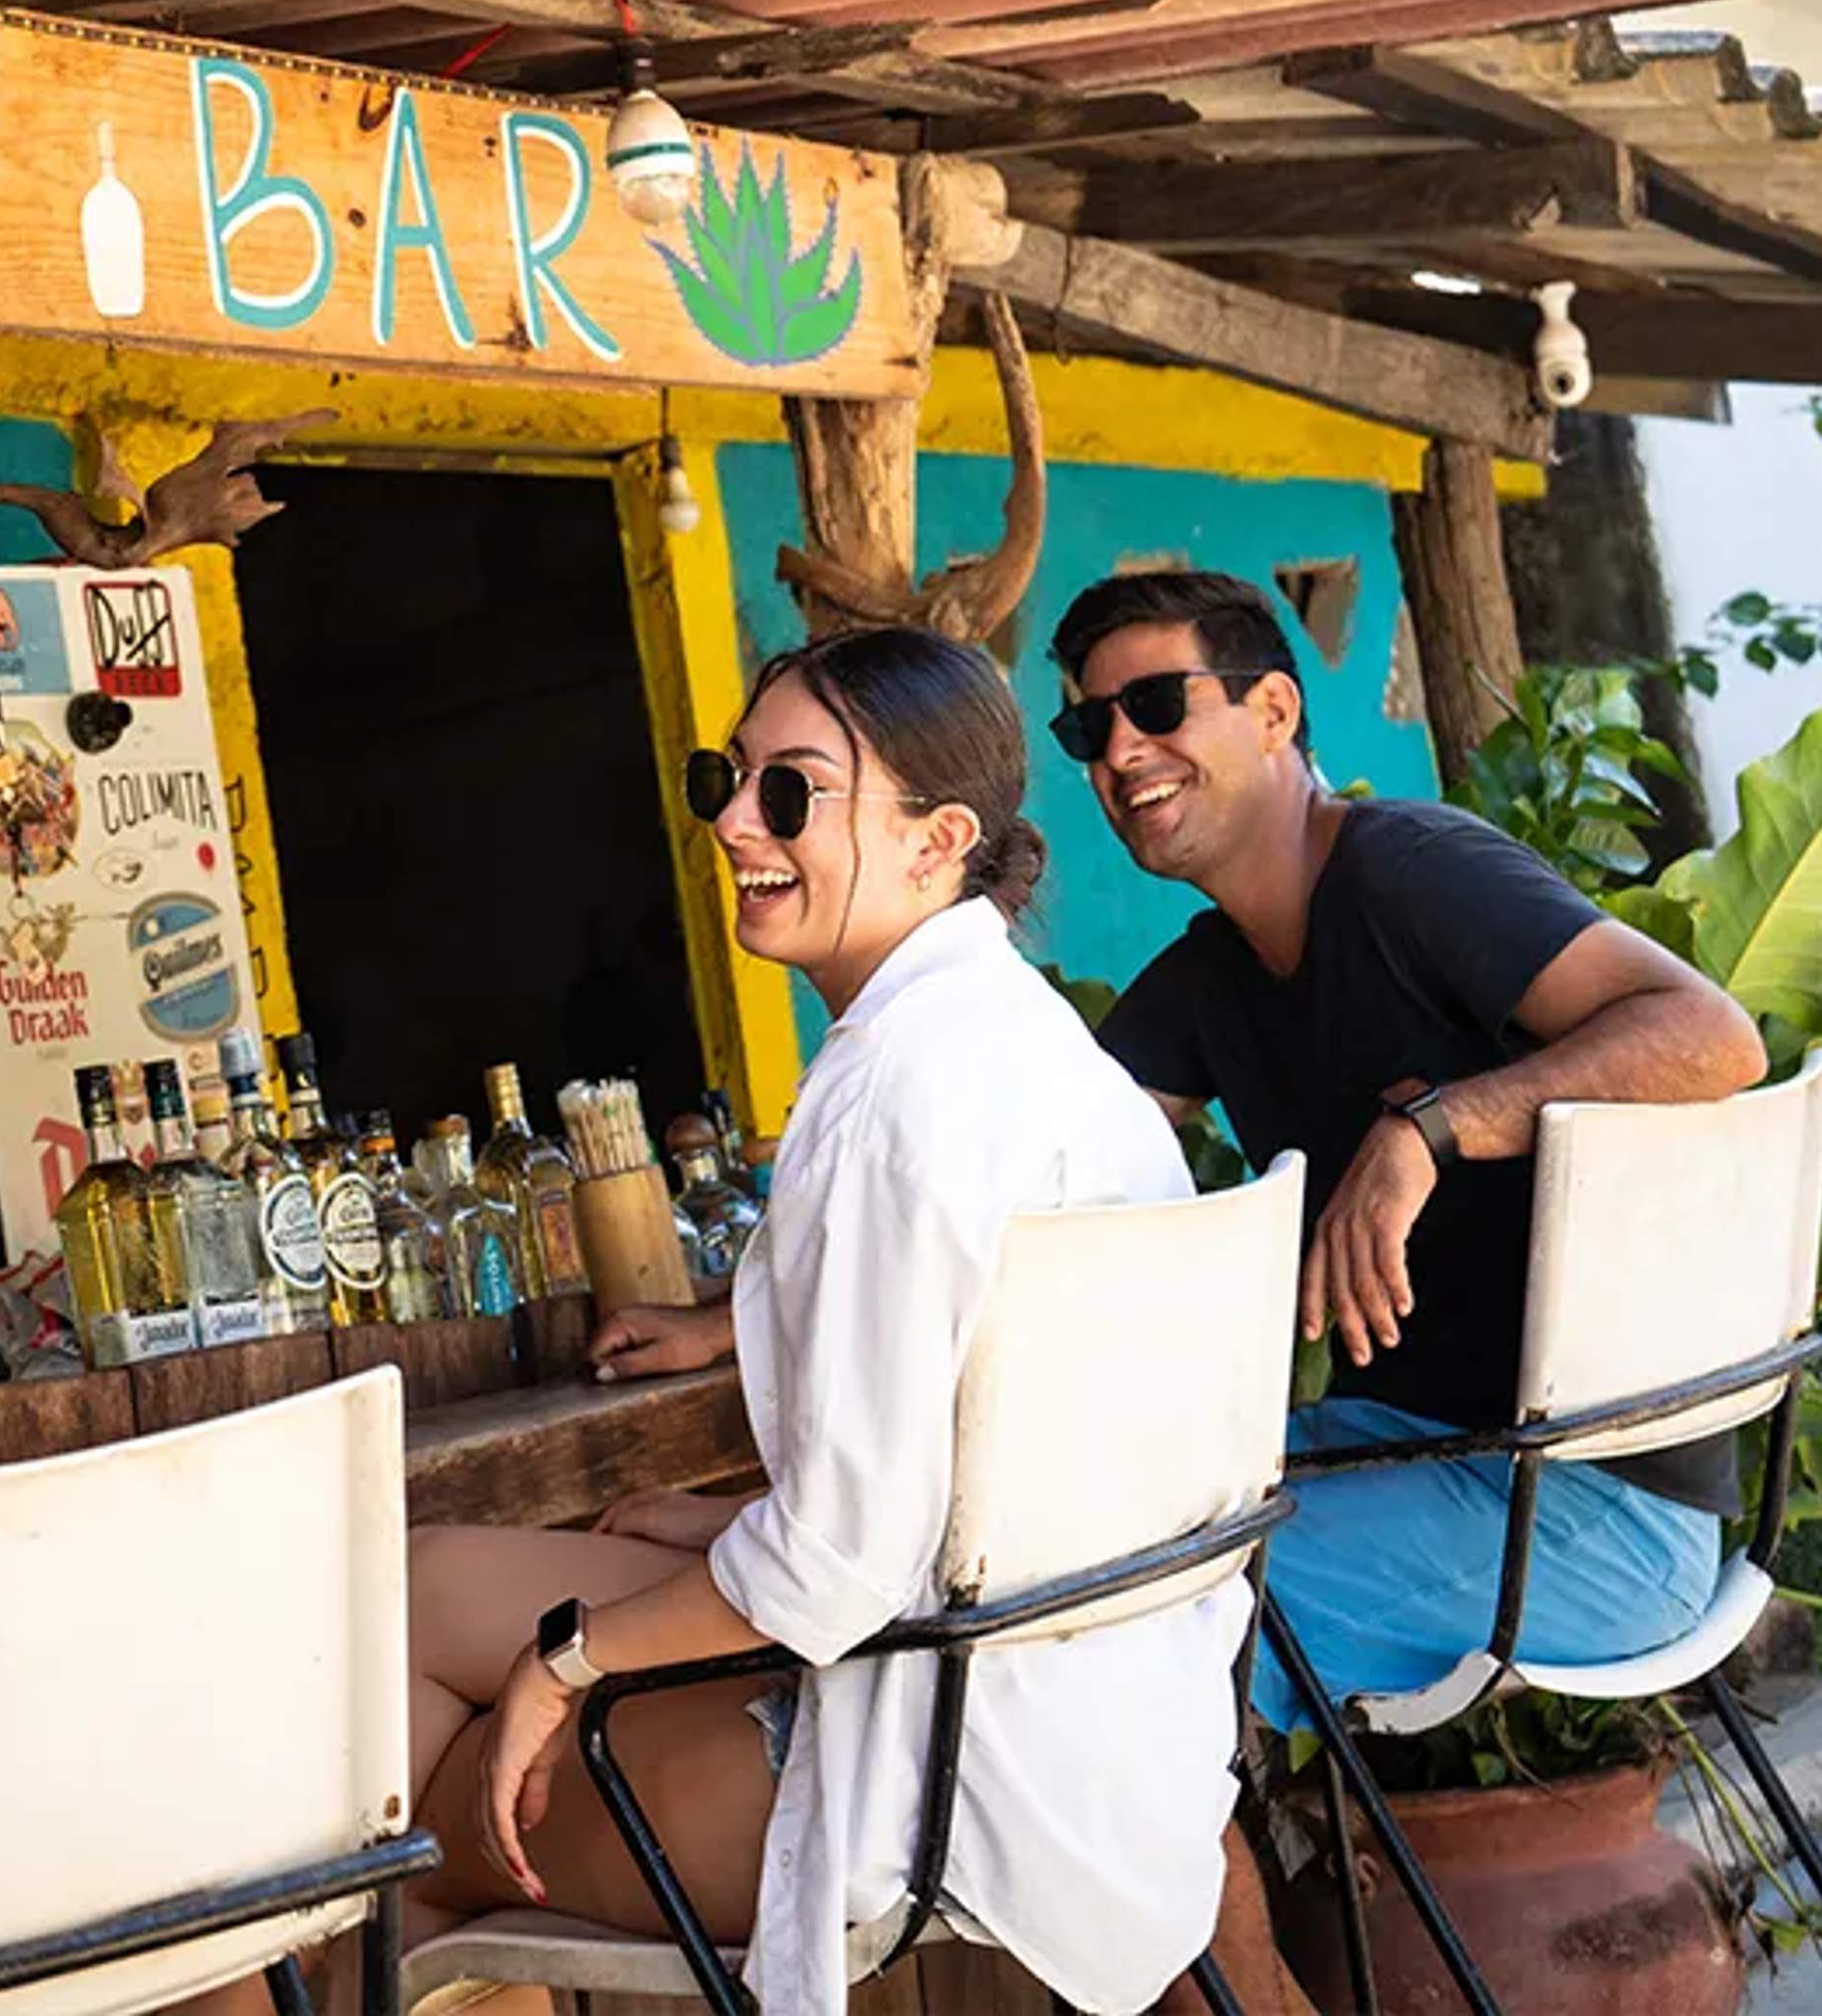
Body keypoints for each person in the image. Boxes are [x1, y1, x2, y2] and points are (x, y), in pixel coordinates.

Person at [410, 628, 1280, 2016]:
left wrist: (565, 1659)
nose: (738, 825)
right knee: (401, 1594)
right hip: (1088, 1714)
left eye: (793, 793)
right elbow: (994, 1470)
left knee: (384, 1816)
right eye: (729, 779)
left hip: (943, 1769)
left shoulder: (895, 1101)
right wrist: (716, 1536)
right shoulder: (1025, 1046)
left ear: (940, 843)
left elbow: (832, 1574)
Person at [1045, 568, 1770, 1737]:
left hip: (1596, 1509)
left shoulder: (1408, 872)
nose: (1122, 749)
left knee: (1130, 1606)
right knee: (1058, 1530)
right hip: (1412, 1458)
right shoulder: (1209, 976)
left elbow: (1713, 1037)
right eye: (1092, 724)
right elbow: (1024, 1180)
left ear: (1275, 711)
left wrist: (1433, 1126)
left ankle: (1214, 1925)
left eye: (1161, 705)